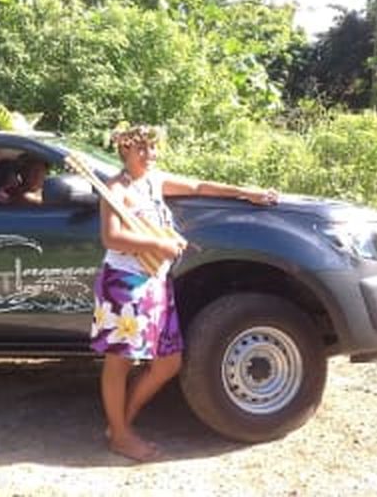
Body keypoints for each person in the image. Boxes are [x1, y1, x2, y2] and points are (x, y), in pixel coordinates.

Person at [91, 124, 278, 462]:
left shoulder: (153, 181)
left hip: (156, 283)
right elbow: (112, 238)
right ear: (124, 151)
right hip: (124, 281)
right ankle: (120, 435)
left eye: (152, 148)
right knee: (120, 362)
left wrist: (244, 192)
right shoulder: (115, 189)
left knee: (167, 363)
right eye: (141, 149)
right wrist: (160, 243)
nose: (149, 154)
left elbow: (198, 185)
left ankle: (120, 425)